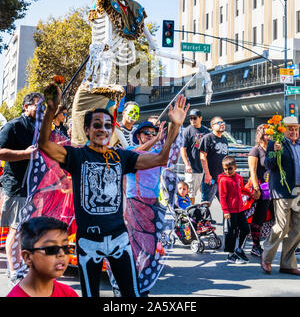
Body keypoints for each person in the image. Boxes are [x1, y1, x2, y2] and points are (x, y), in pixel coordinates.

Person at [37, 84, 189, 297]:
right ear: (87, 130)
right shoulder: (76, 156)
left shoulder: (121, 157)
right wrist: (50, 111)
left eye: (108, 125)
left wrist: (174, 126)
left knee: (131, 295)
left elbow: (161, 159)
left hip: (119, 239)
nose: (103, 129)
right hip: (88, 242)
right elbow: (44, 144)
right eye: (97, 125)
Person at [0, 91, 43, 284]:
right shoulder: (13, 126)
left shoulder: (41, 128)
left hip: (36, 187)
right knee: (15, 230)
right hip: (17, 186)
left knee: (26, 229)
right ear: (26, 106)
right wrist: (25, 154)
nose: (41, 109)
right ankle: (13, 268)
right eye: (37, 105)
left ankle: (22, 264)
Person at [261, 115, 300, 276]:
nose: (293, 132)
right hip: (283, 190)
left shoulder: (299, 144)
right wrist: (274, 153)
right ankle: (267, 257)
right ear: (283, 130)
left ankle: (287, 263)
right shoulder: (275, 143)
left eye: (296, 128)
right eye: (290, 129)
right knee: (282, 226)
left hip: (298, 190)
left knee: (297, 228)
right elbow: (267, 165)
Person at [6, 216, 78, 297]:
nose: (62, 254)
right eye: (51, 249)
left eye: (66, 248)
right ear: (27, 257)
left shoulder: (68, 293)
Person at [218, 155, 250, 264]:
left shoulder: (238, 177)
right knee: (231, 233)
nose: (227, 171)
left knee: (245, 229)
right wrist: (225, 211)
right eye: (225, 169)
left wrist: (251, 193)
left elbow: (242, 189)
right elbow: (222, 197)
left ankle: (239, 249)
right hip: (230, 211)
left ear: (235, 167)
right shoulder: (223, 180)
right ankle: (230, 255)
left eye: (230, 168)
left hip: (240, 209)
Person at [247, 124, 272, 257]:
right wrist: (256, 188)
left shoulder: (272, 149)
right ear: (261, 135)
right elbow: (253, 171)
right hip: (261, 188)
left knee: (275, 218)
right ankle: (255, 246)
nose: (270, 136)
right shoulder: (255, 150)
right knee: (258, 217)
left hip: (273, 188)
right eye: (267, 133)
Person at [180, 109, 210, 204]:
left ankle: (201, 215)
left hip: (204, 170)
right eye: (191, 118)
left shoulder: (206, 131)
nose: (192, 120)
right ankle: (189, 214)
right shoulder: (187, 131)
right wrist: (187, 164)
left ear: (200, 118)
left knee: (206, 196)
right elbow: (183, 149)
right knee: (190, 194)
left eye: (195, 118)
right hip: (192, 169)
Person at [199, 116, 228, 205]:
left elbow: (225, 159)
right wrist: (207, 175)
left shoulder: (224, 139)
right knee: (206, 205)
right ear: (212, 126)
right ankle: (203, 219)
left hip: (222, 178)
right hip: (210, 178)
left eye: (223, 123)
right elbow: (202, 157)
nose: (222, 124)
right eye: (219, 123)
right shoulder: (207, 138)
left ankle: (228, 220)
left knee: (226, 204)